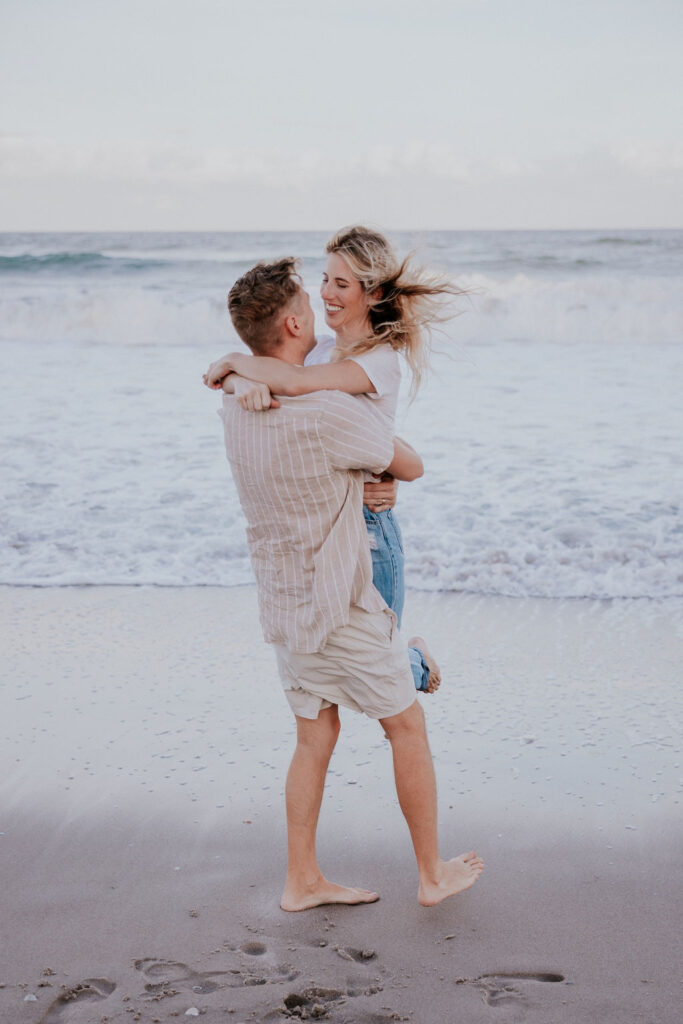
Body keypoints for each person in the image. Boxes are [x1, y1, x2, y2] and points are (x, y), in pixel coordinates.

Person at [215, 256, 483, 911]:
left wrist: (246, 372)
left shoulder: (233, 403)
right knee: (406, 728)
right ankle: (429, 874)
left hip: (283, 605)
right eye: (311, 298)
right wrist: (385, 469)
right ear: (294, 321)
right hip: (340, 605)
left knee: (314, 736)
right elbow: (409, 463)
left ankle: (301, 879)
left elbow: (248, 381)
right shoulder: (328, 410)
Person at [205, 226, 461, 694]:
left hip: (369, 529)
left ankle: (417, 663)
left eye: (341, 285)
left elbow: (298, 385)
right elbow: (289, 390)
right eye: (325, 280)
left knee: (380, 675)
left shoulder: (379, 360)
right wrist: (241, 378)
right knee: (338, 666)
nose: (326, 294)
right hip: (328, 523)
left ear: (374, 292)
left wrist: (233, 362)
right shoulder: (320, 349)